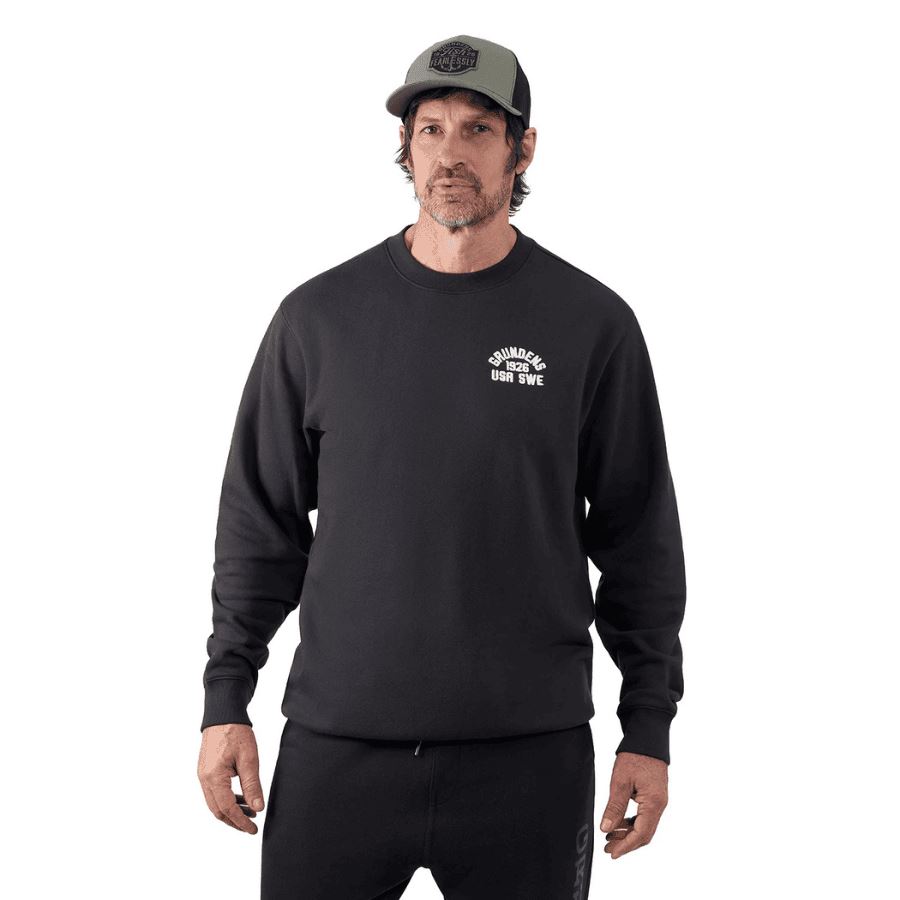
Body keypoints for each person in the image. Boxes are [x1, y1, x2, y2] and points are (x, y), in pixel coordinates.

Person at [196, 33, 686, 900]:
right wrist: (225, 699)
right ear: (405, 146)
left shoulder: (591, 325)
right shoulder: (318, 320)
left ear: (522, 148)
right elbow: (259, 527)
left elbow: (639, 542)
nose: (450, 153)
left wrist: (647, 728)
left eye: (478, 129)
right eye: (430, 130)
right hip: (339, 748)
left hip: (528, 757)